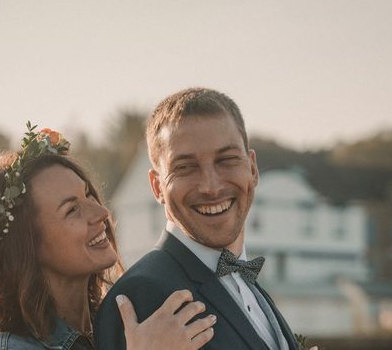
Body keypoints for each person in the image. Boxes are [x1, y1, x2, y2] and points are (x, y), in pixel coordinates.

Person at [0, 123, 215, 350]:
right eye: (72, 210)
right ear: (26, 246)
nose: (101, 212)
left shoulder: (121, 322)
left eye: (88, 195)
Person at [95, 88, 299, 350]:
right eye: (185, 167)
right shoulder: (143, 294)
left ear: (252, 169)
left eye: (226, 160)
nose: (211, 187)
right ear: (157, 187)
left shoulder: (253, 289)